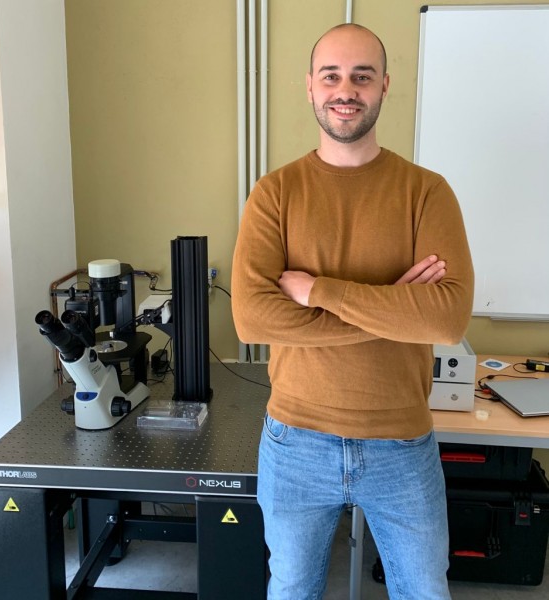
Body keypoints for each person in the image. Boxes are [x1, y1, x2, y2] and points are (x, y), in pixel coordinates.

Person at [231, 23, 474, 600]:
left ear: (384, 85)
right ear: (310, 87)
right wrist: (393, 308)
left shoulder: (427, 192)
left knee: (424, 592)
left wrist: (318, 290)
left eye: (362, 76)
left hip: (402, 443)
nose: (346, 90)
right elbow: (253, 319)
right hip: (296, 441)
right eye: (331, 76)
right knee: (292, 590)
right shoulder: (274, 193)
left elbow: (446, 319)